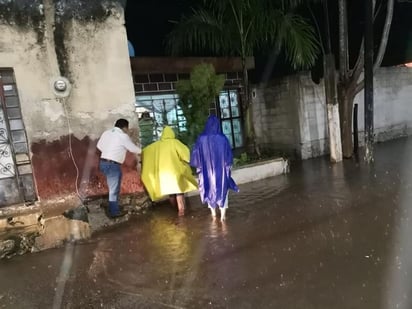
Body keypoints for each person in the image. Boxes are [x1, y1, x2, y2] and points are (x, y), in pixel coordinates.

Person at [190, 115, 239, 221]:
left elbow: (196, 156)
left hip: (206, 172)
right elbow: (228, 158)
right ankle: (222, 216)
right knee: (222, 189)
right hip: (220, 172)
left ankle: (213, 214)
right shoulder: (223, 138)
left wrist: (199, 167)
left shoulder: (201, 139)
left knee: (209, 190)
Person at [141, 126, 197, 216]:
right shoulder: (175, 143)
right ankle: (181, 211)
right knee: (179, 191)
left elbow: (145, 151)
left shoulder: (157, 145)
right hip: (176, 173)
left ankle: (174, 209)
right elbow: (186, 156)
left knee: (171, 193)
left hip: (164, 174)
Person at [97, 119, 141, 218]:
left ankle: (113, 206)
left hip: (103, 162)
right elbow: (133, 149)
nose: (127, 130)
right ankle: (114, 212)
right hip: (113, 164)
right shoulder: (123, 136)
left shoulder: (106, 133)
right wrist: (143, 151)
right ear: (125, 127)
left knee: (113, 187)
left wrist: (109, 151)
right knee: (114, 189)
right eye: (127, 129)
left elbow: (99, 146)